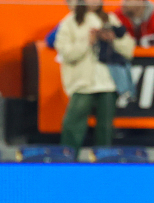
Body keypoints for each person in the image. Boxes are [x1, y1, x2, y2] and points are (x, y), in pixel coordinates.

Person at [55, 0, 135, 157]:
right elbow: (65, 53)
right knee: (73, 124)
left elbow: (129, 49)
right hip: (83, 84)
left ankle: (103, 161)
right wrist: (87, 42)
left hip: (108, 83)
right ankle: (67, 159)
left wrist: (113, 38)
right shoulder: (70, 22)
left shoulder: (110, 19)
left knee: (105, 128)